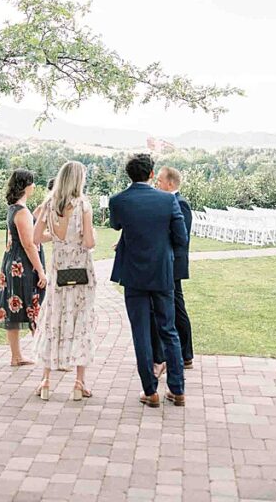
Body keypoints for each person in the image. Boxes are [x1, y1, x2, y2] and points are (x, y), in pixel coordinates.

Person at [109, 154, 189, 408]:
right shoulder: (167, 201)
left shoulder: (118, 201)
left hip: (133, 275)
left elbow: (116, 225)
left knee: (141, 333)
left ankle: (150, 391)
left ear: (129, 175)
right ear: (152, 174)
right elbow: (181, 238)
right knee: (169, 330)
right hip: (163, 274)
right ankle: (177, 390)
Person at [32, 161, 96, 401]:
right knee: (81, 321)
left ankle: (46, 380)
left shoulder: (48, 204)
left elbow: (37, 237)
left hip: (58, 271)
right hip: (80, 271)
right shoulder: (83, 206)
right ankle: (79, 383)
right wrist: (77, 239)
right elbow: (89, 242)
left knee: (53, 320)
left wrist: (58, 239)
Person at [0, 169, 47, 364]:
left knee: (14, 309)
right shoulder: (22, 212)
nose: (34, 186)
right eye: (32, 183)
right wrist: (41, 271)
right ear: (25, 186)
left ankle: (16, 356)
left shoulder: (15, 208)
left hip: (12, 263)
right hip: (23, 266)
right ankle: (46, 356)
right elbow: (29, 243)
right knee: (35, 306)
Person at [151, 166, 194, 373]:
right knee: (173, 307)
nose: (156, 184)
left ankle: (186, 355)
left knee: (177, 308)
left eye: (159, 181)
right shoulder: (165, 202)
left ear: (170, 183)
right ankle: (179, 355)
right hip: (164, 263)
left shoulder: (181, 204)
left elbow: (180, 237)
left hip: (174, 263)